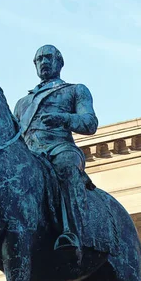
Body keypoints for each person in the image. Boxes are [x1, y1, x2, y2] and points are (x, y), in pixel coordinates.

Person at [14, 45, 98, 253]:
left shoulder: (74, 90)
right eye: (39, 59)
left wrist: (63, 119)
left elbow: (90, 123)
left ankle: (72, 233)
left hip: (59, 148)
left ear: (60, 62)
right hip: (30, 156)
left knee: (66, 167)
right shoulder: (22, 103)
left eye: (48, 58)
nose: (44, 62)